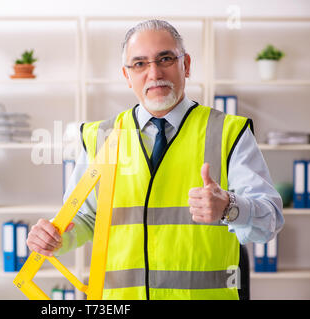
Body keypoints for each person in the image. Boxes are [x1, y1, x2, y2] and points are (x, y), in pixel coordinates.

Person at [27, 19, 284, 300]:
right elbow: (85, 218)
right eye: (139, 64)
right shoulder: (101, 136)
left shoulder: (228, 132)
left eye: (165, 59)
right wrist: (55, 236)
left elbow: (270, 221)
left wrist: (230, 207)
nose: (154, 73)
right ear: (127, 76)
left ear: (185, 65)